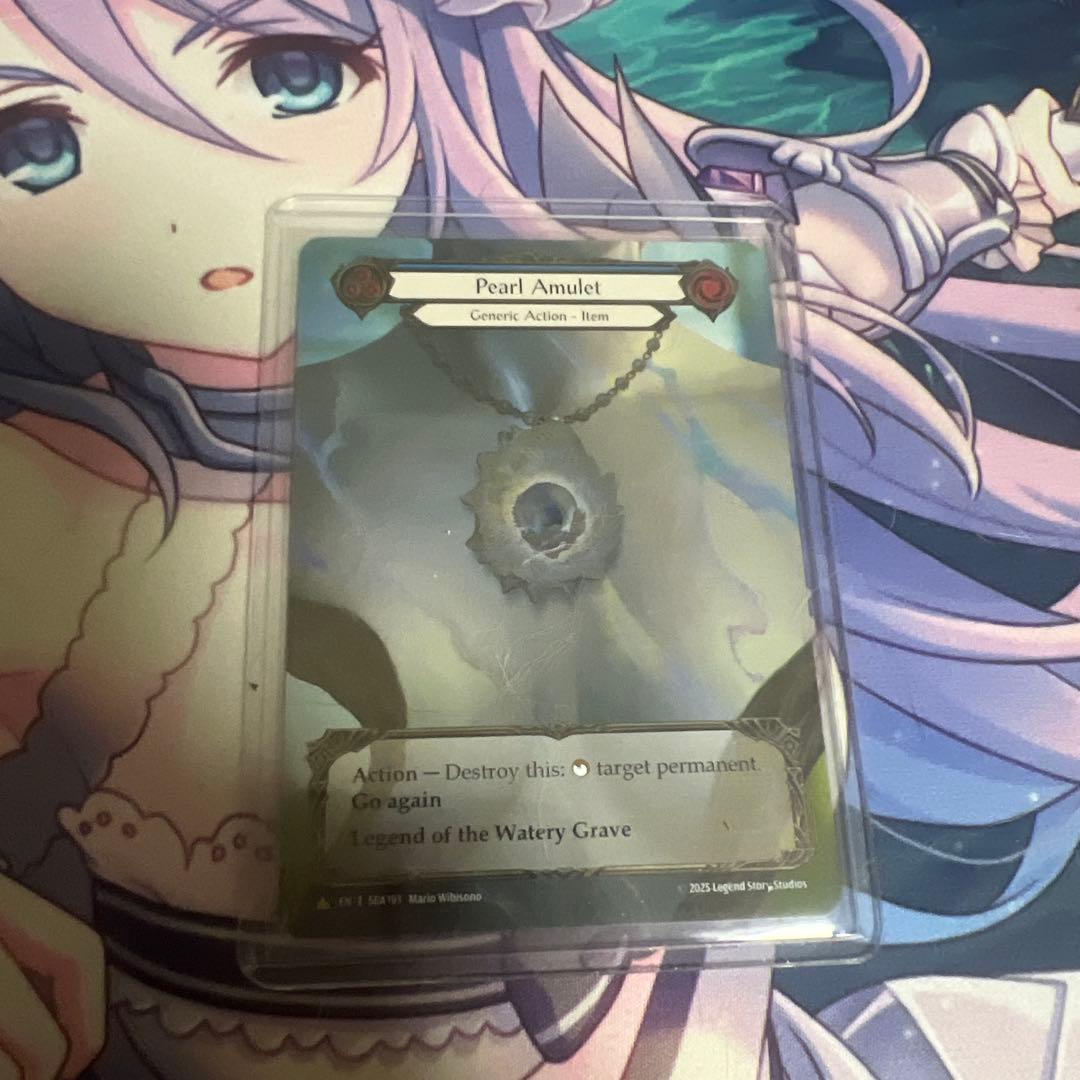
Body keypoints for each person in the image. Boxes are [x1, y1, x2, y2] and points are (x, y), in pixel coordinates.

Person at [0, 1, 1078, 1077]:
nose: (184, 212)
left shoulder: (598, 335)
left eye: (293, 77)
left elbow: (837, 251)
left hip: (663, 1026)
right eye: (31, 144)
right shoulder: (58, 487)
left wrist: (984, 178)